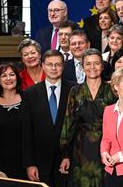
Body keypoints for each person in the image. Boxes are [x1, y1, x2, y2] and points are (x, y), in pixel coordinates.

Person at [59, 48, 116, 187]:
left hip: (107, 148)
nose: (92, 67)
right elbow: (68, 123)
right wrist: (65, 155)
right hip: (81, 148)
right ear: (83, 67)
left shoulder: (112, 90)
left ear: (102, 66)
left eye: (96, 63)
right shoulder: (76, 91)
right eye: (88, 64)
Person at [23, 50, 73, 187]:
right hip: (40, 164)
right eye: (50, 64)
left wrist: (68, 155)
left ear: (63, 66)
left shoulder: (74, 90)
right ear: (43, 66)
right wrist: (30, 164)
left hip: (67, 162)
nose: (54, 68)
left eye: (58, 64)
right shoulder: (29, 93)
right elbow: (27, 131)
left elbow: (77, 128)